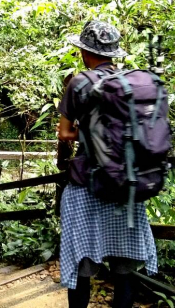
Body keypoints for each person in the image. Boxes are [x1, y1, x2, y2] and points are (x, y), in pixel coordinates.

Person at [57, 20, 158, 308]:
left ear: (85, 53)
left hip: (86, 185)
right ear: (114, 54)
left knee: (82, 265)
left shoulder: (79, 83)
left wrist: (85, 132)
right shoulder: (132, 84)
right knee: (124, 269)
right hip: (126, 184)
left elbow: (65, 133)